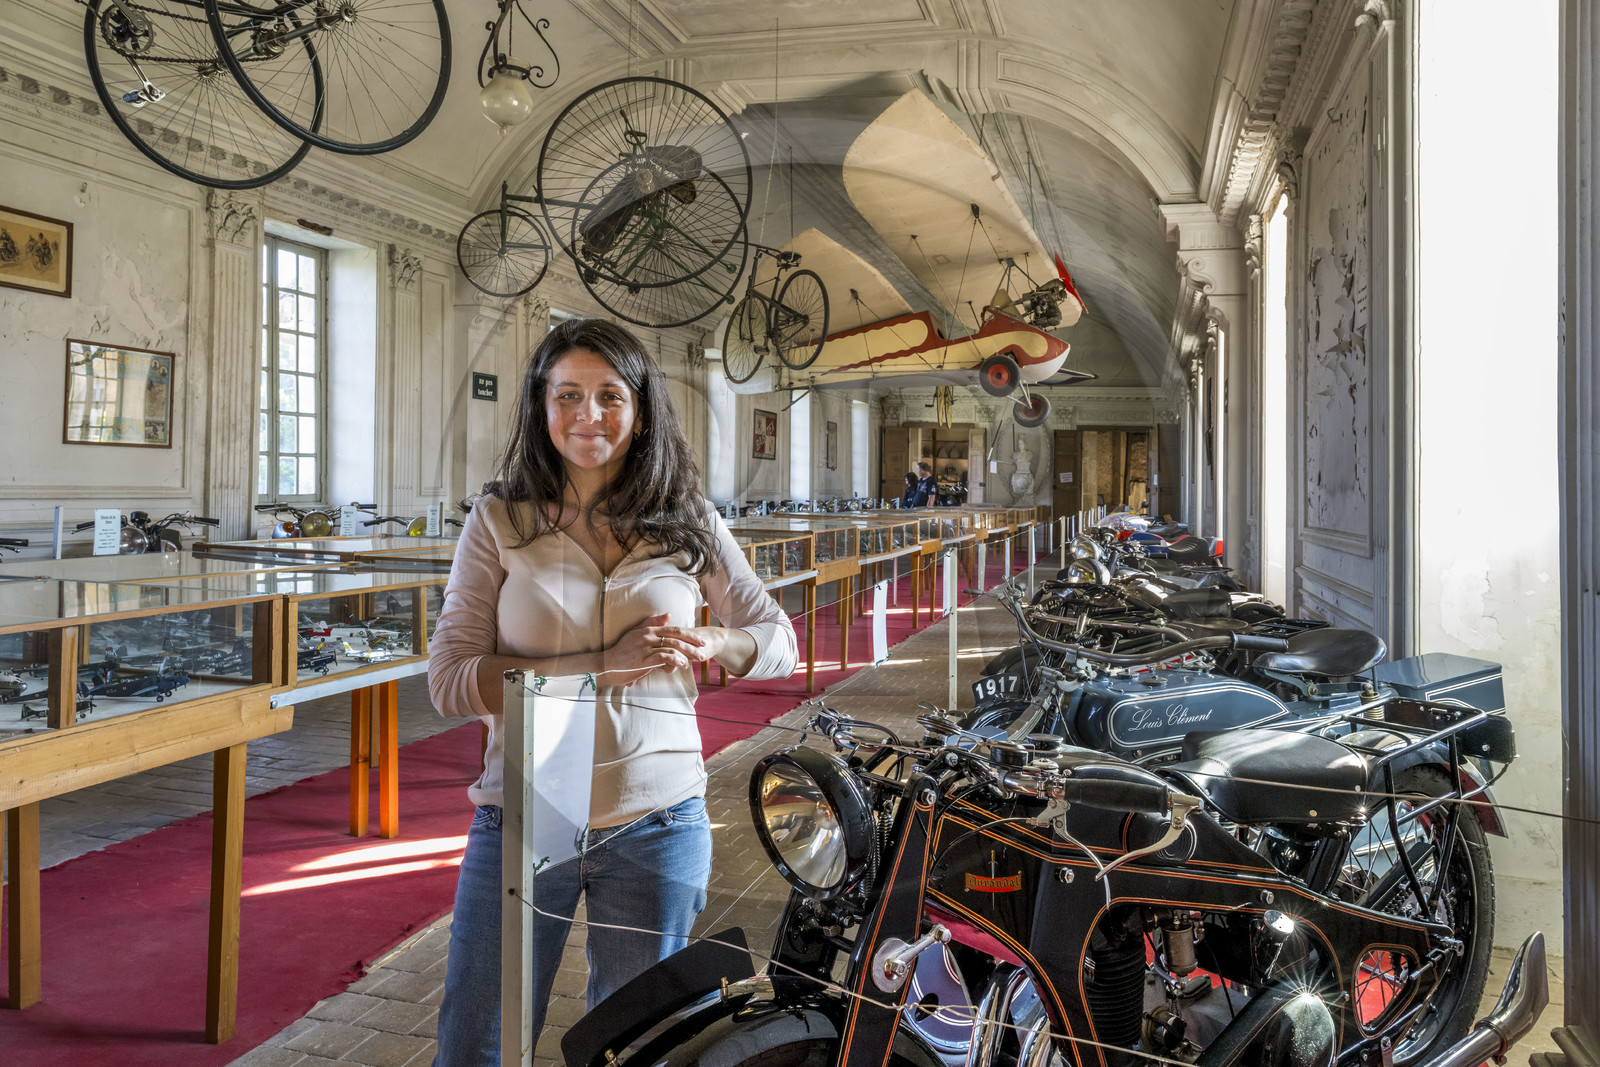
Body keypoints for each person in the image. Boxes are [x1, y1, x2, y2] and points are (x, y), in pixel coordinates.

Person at [428, 317, 798, 1066]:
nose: (587, 416)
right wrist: (603, 665)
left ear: (640, 407)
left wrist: (718, 641)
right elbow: (450, 678)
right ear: (540, 404)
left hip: (658, 821)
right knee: (478, 1045)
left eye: (608, 396)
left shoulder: (686, 517)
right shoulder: (500, 518)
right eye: (568, 395)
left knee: (640, 1050)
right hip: (526, 816)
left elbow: (779, 639)